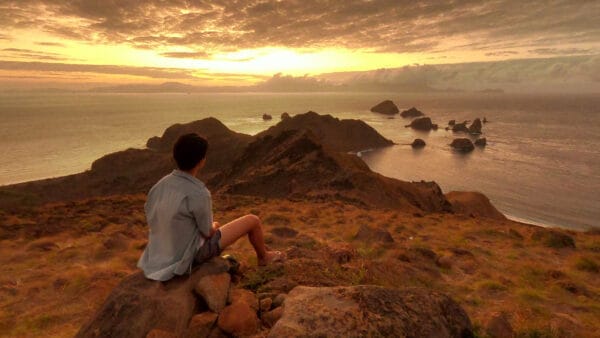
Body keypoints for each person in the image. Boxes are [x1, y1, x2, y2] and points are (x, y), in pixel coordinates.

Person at [137, 133, 284, 281]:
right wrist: (213, 226)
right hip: (188, 256)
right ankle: (264, 257)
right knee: (253, 220)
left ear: (175, 156)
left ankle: (262, 252)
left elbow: (151, 216)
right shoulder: (199, 192)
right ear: (202, 161)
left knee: (215, 226)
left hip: (161, 253)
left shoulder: (159, 186)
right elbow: (207, 233)